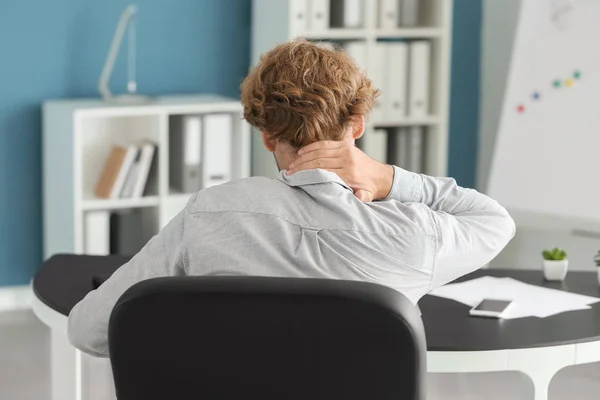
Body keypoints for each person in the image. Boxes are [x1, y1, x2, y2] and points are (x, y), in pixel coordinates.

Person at [67, 39, 516, 357]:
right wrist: (388, 178)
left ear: (267, 136)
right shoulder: (417, 235)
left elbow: (88, 331)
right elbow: (495, 221)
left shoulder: (210, 214)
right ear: (357, 124)